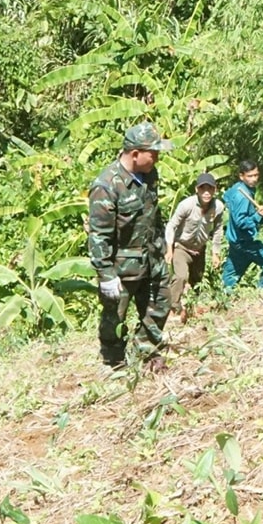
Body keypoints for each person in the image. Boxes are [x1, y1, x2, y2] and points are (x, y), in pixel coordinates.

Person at [87, 123, 173, 370]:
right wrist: (105, 274)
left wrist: (163, 244)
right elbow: (99, 236)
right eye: (153, 154)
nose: (157, 159)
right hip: (122, 267)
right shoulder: (107, 186)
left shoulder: (149, 175)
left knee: (160, 304)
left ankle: (145, 350)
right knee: (115, 318)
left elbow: (153, 215)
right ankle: (113, 362)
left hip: (152, 258)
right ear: (135, 154)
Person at [165, 171, 223, 320]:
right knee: (180, 276)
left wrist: (216, 253)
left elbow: (217, 230)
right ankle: (174, 308)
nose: (206, 193)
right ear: (197, 189)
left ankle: (194, 308)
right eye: (203, 189)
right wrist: (169, 249)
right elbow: (171, 226)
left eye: (210, 189)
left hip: (200, 249)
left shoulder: (218, 207)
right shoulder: (187, 205)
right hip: (182, 247)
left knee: (197, 279)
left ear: (214, 190)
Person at [222, 160, 263, 289]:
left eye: (256, 175)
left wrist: (261, 217)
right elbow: (241, 223)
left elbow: (226, 197)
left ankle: (224, 298)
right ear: (241, 176)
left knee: (231, 276)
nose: (254, 179)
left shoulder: (238, 188)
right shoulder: (242, 196)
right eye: (250, 176)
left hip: (235, 241)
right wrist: (257, 216)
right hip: (244, 242)